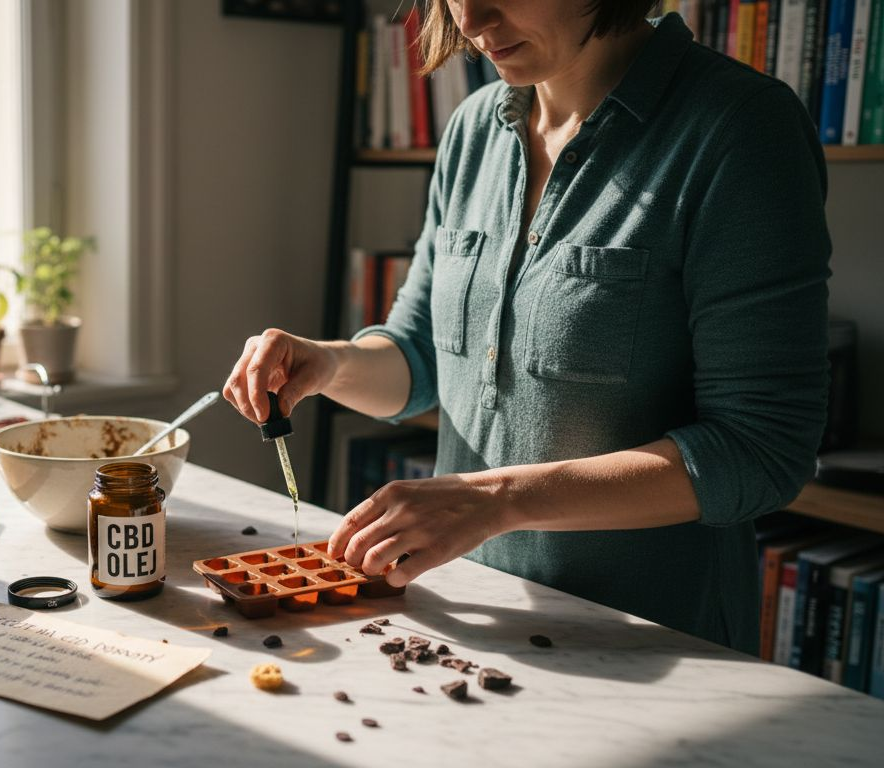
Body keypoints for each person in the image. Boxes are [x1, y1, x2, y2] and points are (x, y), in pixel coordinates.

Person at [222, 0, 830, 655]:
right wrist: (334, 363)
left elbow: (761, 452)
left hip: (651, 641)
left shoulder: (740, 128)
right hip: (466, 624)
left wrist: (499, 499)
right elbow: (427, 358)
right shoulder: (473, 129)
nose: (473, 19)